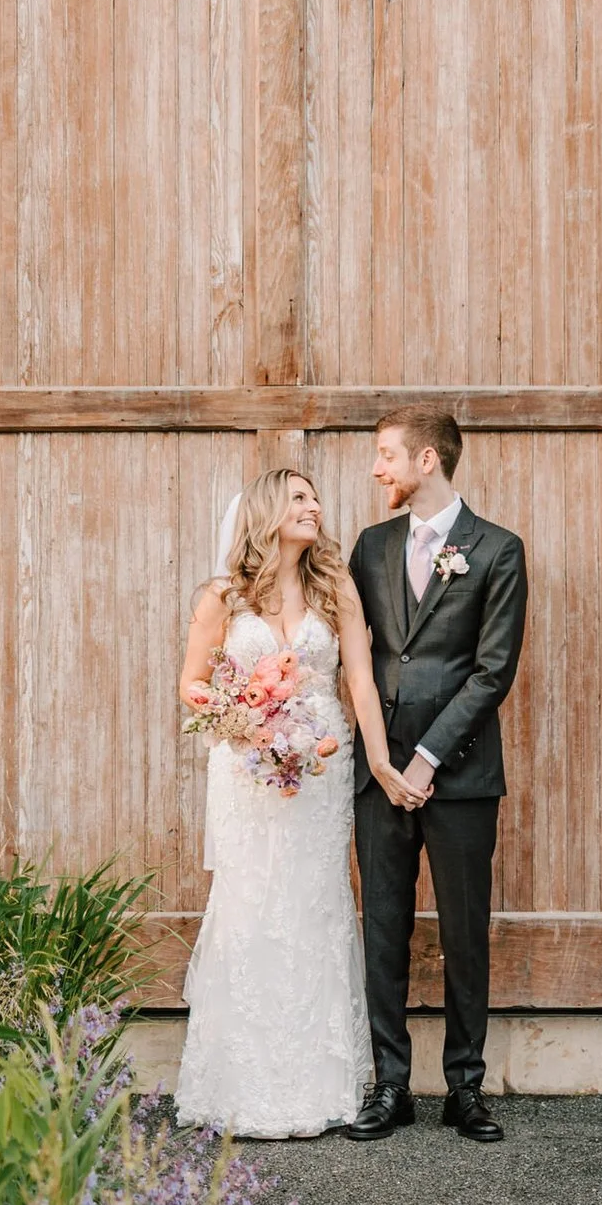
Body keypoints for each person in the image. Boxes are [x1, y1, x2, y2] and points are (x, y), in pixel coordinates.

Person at [171, 467, 426, 1137]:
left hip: (321, 765)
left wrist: (378, 757)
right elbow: (192, 684)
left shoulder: (333, 586)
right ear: (267, 511)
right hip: (248, 768)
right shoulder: (222, 598)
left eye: (316, 497)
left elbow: (362, 683)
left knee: (314, 901)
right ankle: (242, 1085)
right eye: (300, 497)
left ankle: (321, 1085)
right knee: (252, 902)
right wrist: (240, 720)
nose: (315, 506)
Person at [345, 405, 527, 1144]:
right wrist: (383, 759)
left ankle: (465, 1086)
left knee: (465, 930)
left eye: (387, 454)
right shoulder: (369, 544)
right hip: (376, 777)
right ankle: (390, 1084)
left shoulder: (497, 550)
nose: (377, 467)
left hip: (459, 778)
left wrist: (422, 758)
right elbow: (359, 657)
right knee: (382, 926)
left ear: (428, 459)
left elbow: (491, 672)